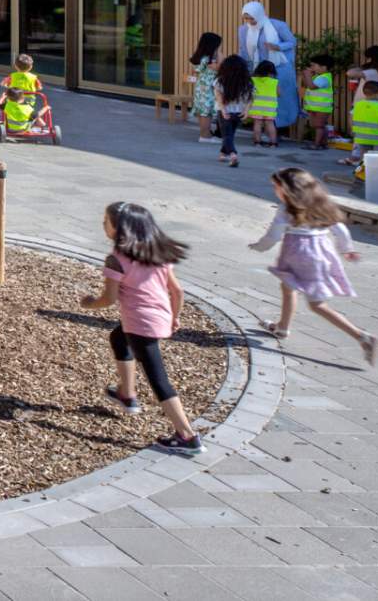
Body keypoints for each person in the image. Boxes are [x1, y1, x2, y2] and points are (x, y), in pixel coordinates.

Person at [82, 202, 201, 456]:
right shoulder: (157, 253)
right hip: (159, 316)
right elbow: (177, 291)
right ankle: (126, 393)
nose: (103, 224)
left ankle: (187, 436)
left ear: (121, 229)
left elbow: (109, 299)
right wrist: (174, 318)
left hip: (140, 324)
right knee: (118, 337)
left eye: (106, 220)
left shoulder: (117, 259)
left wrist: (90, 303)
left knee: (159, 380)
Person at [248, 167, 378, 365]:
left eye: (276, 186)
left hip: (299, 255)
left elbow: (273, 235)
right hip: (322, 252)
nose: (274, 190)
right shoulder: (321, 204)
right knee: (287, 285)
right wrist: (347, 249)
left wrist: (259, 246)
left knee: (317, 304)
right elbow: (340, 229)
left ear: (288, 190)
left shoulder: (286, 209)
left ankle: (362, 336)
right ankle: (282, 327)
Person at [238, 4, 299, 139]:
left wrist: (277, 46)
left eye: (251, 18)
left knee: (280, 100)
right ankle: (263, 132)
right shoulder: (243, 30)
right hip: (258, 72)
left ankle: (278, 130)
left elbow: (292, 42)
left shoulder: (278, 25)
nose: (249, 22)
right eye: (246, 19)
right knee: (260, 100)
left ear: (259, 14)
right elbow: (243, 51)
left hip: (279, 69)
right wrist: (243, 68)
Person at [214, 53, 254, 169]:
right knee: (230, 134)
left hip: (225, 112)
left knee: (227, 135)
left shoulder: (220, 81)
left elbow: (218, 96)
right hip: (239, 113)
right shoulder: (247, 82)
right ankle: (223, 154)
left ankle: (233, 155)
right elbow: (250, 98)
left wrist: (222, 110)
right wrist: (246, 111)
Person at [186, 32, 223, 141]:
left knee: (202, 112)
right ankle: (205, 136)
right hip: (209, 89)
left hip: (200, 87)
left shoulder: (198, 57)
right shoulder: (208, 60)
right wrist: (219, 53)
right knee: (207, 113)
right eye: (218, 45)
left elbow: (195, 70)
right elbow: (222, 67)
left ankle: (204, 134)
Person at [0, 55, 43, 142]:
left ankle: (11, 124)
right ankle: (36, 124)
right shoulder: (34, 77)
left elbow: (3, 83)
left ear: (15, 66)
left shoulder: (12, 76)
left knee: (9, 107)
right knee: (30, 111)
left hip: (13, 98)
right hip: (29, 100)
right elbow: (40, 87)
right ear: (31, 67)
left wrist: (3, 85)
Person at [298, 61, 338, 150]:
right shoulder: (317, 76)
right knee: (316, 125)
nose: (312, 67)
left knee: (319, 126)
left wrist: (308, 74)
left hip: (322, 107)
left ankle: (317, 144)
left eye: (314, 65)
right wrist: (304, 75)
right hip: (315, 107)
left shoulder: (324, 78)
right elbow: (307, 85)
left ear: (324, 67)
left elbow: (312, 86)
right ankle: (323, 143)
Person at [251, 61, 283, 149]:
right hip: (270, 108)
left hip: (257, 107)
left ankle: (257, 142)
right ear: (272, 72)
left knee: (257, 124)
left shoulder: (254, 80)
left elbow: (250, 92)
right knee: (270, 124)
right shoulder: (274, 82)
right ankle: (273, 143)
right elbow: (279, 94)